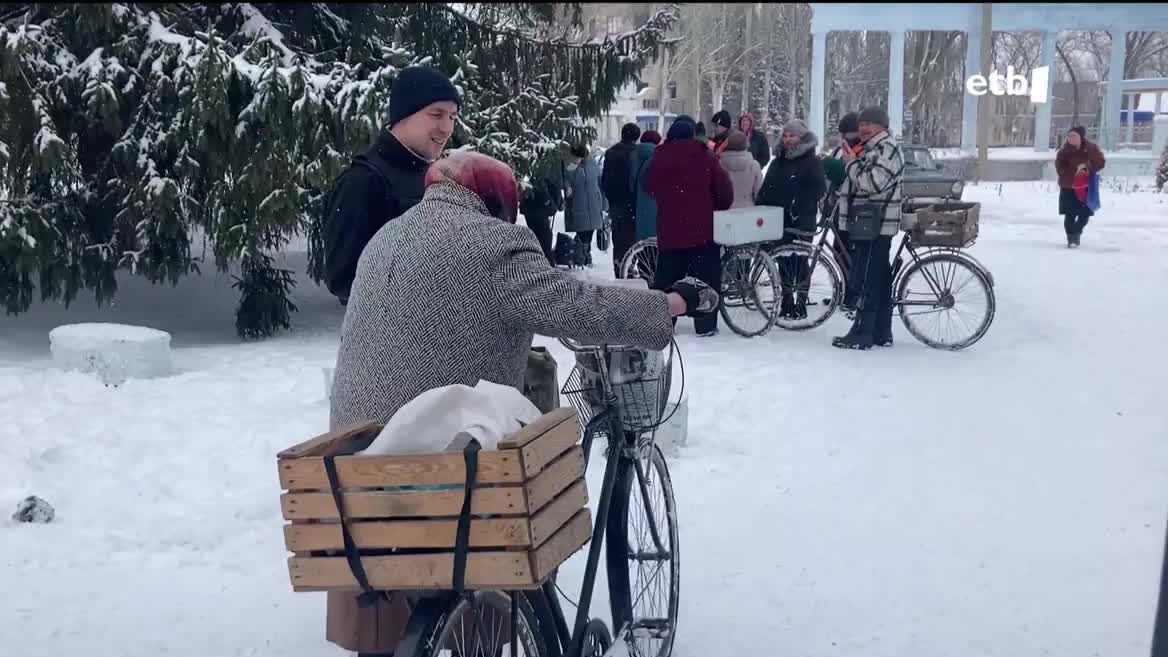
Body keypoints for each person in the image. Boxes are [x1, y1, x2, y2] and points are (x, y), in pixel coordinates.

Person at [327, 151, 715, 656]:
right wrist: (672, 302)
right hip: (448, 471)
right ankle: (521, 615)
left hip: (357, 470)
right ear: (497, 201)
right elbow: (575, 307)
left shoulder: (385, 238)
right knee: (535, 464)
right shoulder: (495, 242)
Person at [322, 65, 461, 305]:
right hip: (384, 339)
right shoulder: (363, 182)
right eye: (436, 114)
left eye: (452, 117)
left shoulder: (434, 175)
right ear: (404, 115)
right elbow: (342, 278)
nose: (447, 128)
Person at [647, 115, 735, 337]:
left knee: (667, 279)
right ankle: (704, 324)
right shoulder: (706, 157)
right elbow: (725, 191)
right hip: (702, 232)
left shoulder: (658, 158)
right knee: (705, 278)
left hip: (670, 231)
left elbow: (648, 186)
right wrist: (715, 204)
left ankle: (662, 323)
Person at [832, 106, 904, 350]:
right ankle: (881, 332)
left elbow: (872, 183)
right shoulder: (874, 148)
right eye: (861, 124)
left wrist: (850, 163)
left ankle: (862, 333)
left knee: (866, 280)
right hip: (868, 224)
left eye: (869, 124)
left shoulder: (887, 148)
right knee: (880, 280)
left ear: (882, 126)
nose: (863, 128)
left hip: (876, 224)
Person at [757, 119, 826, 320]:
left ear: (801, 138)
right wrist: (761, 202)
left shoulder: (812, 161)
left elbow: (819, 189)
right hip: (780, 219)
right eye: (785, 136)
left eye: (792, 136)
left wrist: (798, 202)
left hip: (802, 218)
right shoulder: (778, 161)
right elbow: (768, 186)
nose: (788, 140)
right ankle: (787, 301)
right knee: (783, 262)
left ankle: (801, 303)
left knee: (801, 262)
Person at [821, 112, 863, 309]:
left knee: (851, 254)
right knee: (838, 253)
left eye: (849, 132)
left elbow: (846, 174)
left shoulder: (860, 150)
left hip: (853, 210)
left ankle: (853, 295)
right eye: (843, 133)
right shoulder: (840, 149)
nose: (845, 136)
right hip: (837, 208)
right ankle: (841, 290)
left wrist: (830, 166)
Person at [602, 123, 642, 277]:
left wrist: (611, 197)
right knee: (631, 239)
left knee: (618, 239)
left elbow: (604, 181)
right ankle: (629, 269)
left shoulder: (610, 153)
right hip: (631, 204)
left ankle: (618, 268)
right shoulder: (635, 154)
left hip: (615, 204)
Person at [1055, 126, 1105, 248]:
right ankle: (1071, 238)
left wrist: (1086, 166)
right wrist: (1070, 172)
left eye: (1074, 136)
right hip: (1068, 186)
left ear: (1081, 137)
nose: (1071, 138)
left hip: (1085, 186)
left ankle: (1077, 232)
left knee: (1085, 213)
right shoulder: (1063, 151)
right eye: (1069, 136)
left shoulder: (1091, 148)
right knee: (1069, 214)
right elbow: (1059, 166)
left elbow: (1100, 163)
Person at [563, 144, 606, 266]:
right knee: (583, 232)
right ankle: (582, 256)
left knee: (589, 232)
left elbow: (599, 183)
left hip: (593, 204)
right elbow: (565, 181)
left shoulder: (591, 164)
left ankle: (583, 254)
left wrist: (603, 203)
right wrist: (567, 188)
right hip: (579, 204)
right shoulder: (569, 166)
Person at [519, 163, 563, 265]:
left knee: (538, 237)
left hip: (534, 205)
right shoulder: (544, 162)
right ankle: (544, 265)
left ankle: (538, 263)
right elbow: (541, 184)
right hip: (539, 206)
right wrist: (550, 203)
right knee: (544, 239)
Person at [629, 130, 662, 242]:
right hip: (652, 200)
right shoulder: (658, 156)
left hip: (636, 201)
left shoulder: (634, 154)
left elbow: (632, 179)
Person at [719, 129, 764, 209]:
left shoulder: (719, 164)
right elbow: (759, 193)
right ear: (745, 145)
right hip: (748, 210)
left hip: (724, 211)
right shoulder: (754, 165)